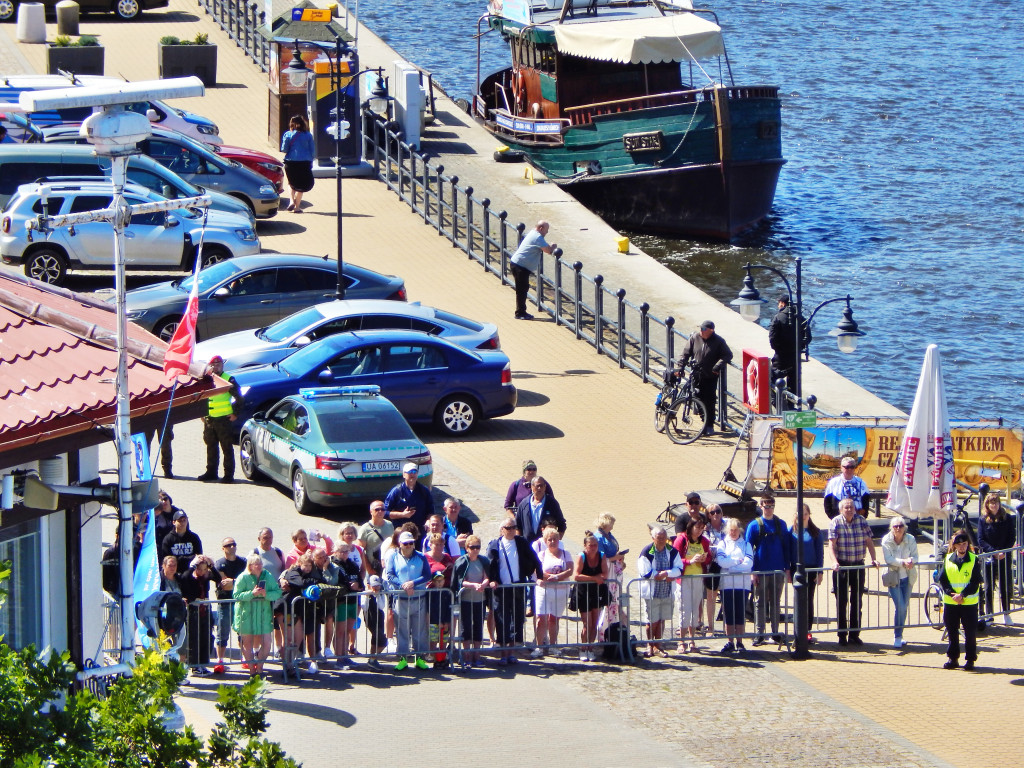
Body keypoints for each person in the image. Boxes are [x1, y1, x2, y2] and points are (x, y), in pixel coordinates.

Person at [486, 518, 540, 665]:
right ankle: (503, 653)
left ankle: (511, 653)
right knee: (502, 620)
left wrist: (539, 575)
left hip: (517, 587)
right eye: (508, 528)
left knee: (516, 621)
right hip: (501, 589)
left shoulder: (521, 542)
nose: (511, 531)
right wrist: (492, 579)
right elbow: (490, 565)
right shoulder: (494, 545)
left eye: (513, 528)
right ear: (502, 529)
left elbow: (534, 559)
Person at [829, 498, 878, 646]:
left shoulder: (861, 521)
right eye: (846, 507)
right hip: (842, 566)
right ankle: (842, 635)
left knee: (857, 602)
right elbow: (831, 545)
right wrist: (834, 562)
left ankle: (855, 634)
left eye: (851, 507)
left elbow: (869, 541)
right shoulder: (835, 522)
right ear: (841, 510)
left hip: (858, 565)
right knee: (842, 602)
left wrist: (874, 558)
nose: (849, 510)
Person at [674, 320, 732, 436]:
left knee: (709, 400)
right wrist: (680, 366)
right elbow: (685, 353)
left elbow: (728, 355)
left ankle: (709, 425)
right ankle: (704, 421)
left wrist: (717, 366)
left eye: (704, 329)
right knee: (697, 397)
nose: (701, 331)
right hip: (696, 374)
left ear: (711, 331)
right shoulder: (694, 338)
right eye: (701, 328)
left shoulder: (719, 341)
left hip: (710, 376)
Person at [745, 495, 789, 645]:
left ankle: (775, 633)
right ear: (761, 506)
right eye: (766, 506)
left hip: (778, 570)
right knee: (759, 602)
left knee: (776, 602)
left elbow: (786, 548)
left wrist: (787, 569)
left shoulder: (781, 524)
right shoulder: (754, 525)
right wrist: (752, 571)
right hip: (760, 570)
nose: (769, 509)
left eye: (771, 506)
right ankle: (759, 633)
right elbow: (748, 550)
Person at [385, 530, 432, 671]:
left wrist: (413, 583)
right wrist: (403, 585)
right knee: (402, 631)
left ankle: (419, 658)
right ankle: (403, 658)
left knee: (419, 630)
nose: (408, 546)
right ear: (400, 544)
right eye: (405, 543)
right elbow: (390, 574)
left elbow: (427, 575)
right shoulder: (393, 557)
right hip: (401, 599)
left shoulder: (421, 557)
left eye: (411, 543)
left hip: (419, 598)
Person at [938, 530, 982, 670]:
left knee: (970, 633)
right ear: (955, 546)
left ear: (968, 544)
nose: (962, 547)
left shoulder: (974, 559)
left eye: (964, 544)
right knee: (952, 631)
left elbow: (975, 582)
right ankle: (953, 658)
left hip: (968, 603)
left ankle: (970, 660)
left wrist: (962, 595)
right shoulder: (948, 559)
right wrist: (952, 595)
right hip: (951, 603)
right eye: (959, 544)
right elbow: (943, 581)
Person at [233, 555, 282, 678]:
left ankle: (260, 666)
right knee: (247, 644)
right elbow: (236, 595)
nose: (259, 566)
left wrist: (266, 594)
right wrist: (251, 594)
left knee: (267, 642)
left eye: (260, 563)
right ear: (250, 566)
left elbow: (277, 592)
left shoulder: (267, 576)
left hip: (263, 615)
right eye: (256, 564)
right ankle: (252, 670)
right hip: (246, 615)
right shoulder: (243, 577)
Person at [637, 525, 681, 657]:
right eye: (659, 538)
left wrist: (668, 573)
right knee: (651, 620)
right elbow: (645, 571)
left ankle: (658, 645)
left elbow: (679, 568)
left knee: (662, 619)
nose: (661, 540)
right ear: (653, 538)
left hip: (666, 591)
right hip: (652, 592)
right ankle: (649, 645)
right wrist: (659, 575)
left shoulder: (672, 551)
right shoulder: (646, 552)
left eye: (663, 537)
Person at [196, 356, 241, 483]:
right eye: (213, 364)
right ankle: (211, 472)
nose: (216, 366)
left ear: (222, 365)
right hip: (210, 419)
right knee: (211, 446)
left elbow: (240, 398)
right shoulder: (206, 378)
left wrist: (235, 414)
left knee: (226, 447)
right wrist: (201, 413)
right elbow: (201, 397)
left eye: (219, 364)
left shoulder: (228, 379)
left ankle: (228, 475)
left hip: (224, 420)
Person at [531, 528, 573, 659]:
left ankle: (553, 645)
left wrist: (557, 577)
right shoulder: (541, 555)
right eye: (550, 539)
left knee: (554, 619)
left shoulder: (566, 554)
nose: (553, 542)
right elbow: (536, 571)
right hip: (543, 591)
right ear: (545, 541)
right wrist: (548, 576)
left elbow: (570, 570)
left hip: (560, 592)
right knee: (540, 619)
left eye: (555, 539)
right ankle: (539, 646)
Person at [715, 518, 754, 653]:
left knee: (740, 613)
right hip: (726, 585)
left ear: (740, 531)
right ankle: (730, 641)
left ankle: (740, 642)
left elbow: (748, 564)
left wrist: (731, 567)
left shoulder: (746, 545)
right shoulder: (722, 544)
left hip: (742, 585)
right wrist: (737, 561)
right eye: (731, 530)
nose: (733, 533)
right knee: (729, 613)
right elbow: (721, 562)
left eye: (735, 530)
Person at [452, 534, 491, 668]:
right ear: (467, 548)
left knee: (478, 626)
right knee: (466, 627)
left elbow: (487, 577)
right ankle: (467, 656)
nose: (475, 550)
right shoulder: (462, 561)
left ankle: (477, 656)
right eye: (472, 547)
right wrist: (473, 585)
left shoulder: (483, 561)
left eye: (478, 547)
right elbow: (459, 581)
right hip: (466, 599)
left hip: (480, 599)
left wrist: (483, 584)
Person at [789, 503, 825, 645]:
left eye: (805, 513)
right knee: (798, 601)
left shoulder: (815, 532)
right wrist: (787, 570)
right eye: (800, 513)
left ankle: (807, 633)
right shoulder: (790, 530)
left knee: (809, 600)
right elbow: (788, 551)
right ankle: (798, 633)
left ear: (809, 515)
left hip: (811, 570)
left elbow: (820, 553)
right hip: (796, 570)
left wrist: (820, 571)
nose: (803, 516)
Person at [673, 516, 710, 653]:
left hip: (698, 578)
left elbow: (709, 557)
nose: (700, 531)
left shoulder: (704, 541)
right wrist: (689, 561)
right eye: (697, 527)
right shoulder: (682, 539)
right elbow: (674, 559)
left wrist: (704, 559)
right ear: (691, 527)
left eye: (702, 528)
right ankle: (681, 641)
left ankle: (692, 639)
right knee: (684, 609)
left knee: (695, 609)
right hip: (684, 579)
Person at [978, 492, 1016, 625]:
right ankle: (990, 614)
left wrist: (1004, 551)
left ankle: (1006, 613)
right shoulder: (983, 520)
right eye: (991, 503)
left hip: (1004, 556)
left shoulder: (1007, 518)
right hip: (989, 557)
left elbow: (1012, 537)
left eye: (996, 502)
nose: (994, 505)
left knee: (1005, 586)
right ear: (987, 505)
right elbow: (981, 540)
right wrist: (993, 552)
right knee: (988, 587)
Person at [880, 515, 917, 648]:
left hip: (907, 577)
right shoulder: (886, 540)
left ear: (904, 528)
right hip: (893, 578)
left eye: (900, 526)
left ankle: (900, 634)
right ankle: (897, 635)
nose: (898, 528)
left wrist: (912, 561)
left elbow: (915, 556)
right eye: (895, 526)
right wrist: (904, 562)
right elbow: (889, 559)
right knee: (900, 606)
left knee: (904, 606)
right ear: (891, 528)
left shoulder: (910, 539)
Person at [179, 555, 220, 675]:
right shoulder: (189, 577)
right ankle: (194, 665)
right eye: (199, 569)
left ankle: (203, 664)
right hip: (193, 611)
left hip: (205, 611)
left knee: (205, 637)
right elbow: (184, 580)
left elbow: (218, 578)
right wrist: (193, 566)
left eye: (204, 569)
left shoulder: (205, 577)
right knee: (194, 639)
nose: (202, 572)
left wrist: (211, 565)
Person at [509, 221, 556, 320]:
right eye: (546, 230)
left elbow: (543, 246)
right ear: (541, 228)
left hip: (518, 264)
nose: (546, 233)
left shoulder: (533, 233)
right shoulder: (537, 237)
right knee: (522, 290)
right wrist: (553, 247)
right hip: (520, 266)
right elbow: (548, 250)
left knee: (523, 289)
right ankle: (520, 313)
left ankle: (521, 311)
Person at [767, 294, 810, 401]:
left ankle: (778, 405)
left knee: (773, 381)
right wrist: (799, 347)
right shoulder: (801, 318)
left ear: (782, 303)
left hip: (780, 357)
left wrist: (778, 349)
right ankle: (791, 406)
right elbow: (808, 337)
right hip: (795, 357)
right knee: (793, 384)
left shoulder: (778, 317)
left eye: (779, 303)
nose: (778, 306)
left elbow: (772, 337)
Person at [574, 531, 609, 661]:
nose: (593, 547)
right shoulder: (581, 556)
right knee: (586, 623)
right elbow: (576, 575)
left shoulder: (602, 556)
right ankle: (583, 648)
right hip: (584, 592)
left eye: (595, 545)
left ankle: (590, 648)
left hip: (597, 592)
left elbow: (605, 574)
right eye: (591, 545)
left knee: (594, 623)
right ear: (585, 546)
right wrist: (595, 578)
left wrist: (597, 579)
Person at [213, 536, 247, 671]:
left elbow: (247, 581)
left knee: (243, 631)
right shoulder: (219, 564)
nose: (232, 547)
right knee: (223, 631)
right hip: (225, 602)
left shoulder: (243, 562)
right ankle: (219, 661)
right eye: (228, 545)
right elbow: (224, 585)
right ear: (223, 549)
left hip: (240, 602)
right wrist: (238, 582)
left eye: (233, 544)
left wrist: (233, 582)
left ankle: (245, 658)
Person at [424, 532, 456, 668]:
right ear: (430, 545)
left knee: (445, 624)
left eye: (441, 544)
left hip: (446, 594)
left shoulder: (447, 557)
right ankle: (432, 653)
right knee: (433, 625)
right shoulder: (425, 558)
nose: (438, 546)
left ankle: (442, 655)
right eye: (436, 544)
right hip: (432, 595)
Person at [594, 513, 626, 630]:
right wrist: (616, 558)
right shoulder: (598, 537)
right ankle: (603, 628)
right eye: (612, 522)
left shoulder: (609, 535)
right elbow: (601, 557)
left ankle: (614, 625)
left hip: (615, 569)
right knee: (609, 599)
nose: (613, 525)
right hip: (607, 570)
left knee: (615, 600)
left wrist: (620, 559)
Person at [515, 475, 566, 543]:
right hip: (527, 546)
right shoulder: (524, 504)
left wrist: (556, 541)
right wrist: (519, 543)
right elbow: (518, 525)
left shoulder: (552, 503)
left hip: (545, 546)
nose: (539, 488)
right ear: (532, 487)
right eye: (537, 486)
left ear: (545, 487)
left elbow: (562, 524)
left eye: (541, 486)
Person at [383, 463, 434, 530]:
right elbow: (385, 512)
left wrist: (428, 520)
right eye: (409, 472)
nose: (412, 474)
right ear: (404, 474)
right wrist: (402, 514)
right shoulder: (397, 491)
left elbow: (431, 511)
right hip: (402, 531)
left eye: (414, 472)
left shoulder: (424, 491)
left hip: (420, 531)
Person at [280, 114, 315, 212]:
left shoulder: (288, 134)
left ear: (291, 124)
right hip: (304, 163)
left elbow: (284, 149)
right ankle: (297, 207)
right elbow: (313, 151)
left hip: (291, 162)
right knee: (301, 185)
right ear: (303, 123)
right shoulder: (308, 135)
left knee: (291, 183)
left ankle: (291, 201)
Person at [703, 504, 726, 635]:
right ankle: (710, 626)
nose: (716, 514)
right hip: (712, 566)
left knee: (727, 596)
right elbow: (707, 546)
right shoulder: (706, 529)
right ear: (708, 515)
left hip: (727, 566)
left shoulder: (727, 525)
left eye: (718, 511)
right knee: (711, 597)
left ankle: (729, 627)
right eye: (712, 512)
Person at [357, 500, 394, 576]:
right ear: (371, 512)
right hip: (374, 568)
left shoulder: (389, 524)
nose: (380, 511)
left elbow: (393, 544)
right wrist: (369, 568)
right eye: (377, 509)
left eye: (383, 509)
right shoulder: (364, 529)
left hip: (389, 566)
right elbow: (360, 551)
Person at [161, 509, 203, 576]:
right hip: (175, 574)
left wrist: (180, 558)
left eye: (184, 520)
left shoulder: (194, 537)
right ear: (174, 522)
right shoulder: (168, 539)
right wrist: (190, 557)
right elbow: (166, 559)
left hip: (192, 573)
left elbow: (199, 556)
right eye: (180, 521)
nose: (182, 523)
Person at [153, 491, 181, 558]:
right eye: (160, 500)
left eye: (165, 499)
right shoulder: (157, 515)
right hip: (161, 546)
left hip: (176, 544)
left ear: (169, 500)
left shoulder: (178, 513)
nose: (163, 502)